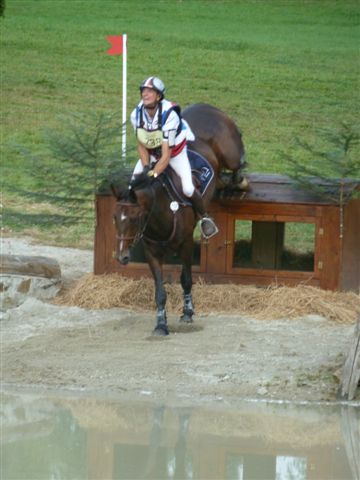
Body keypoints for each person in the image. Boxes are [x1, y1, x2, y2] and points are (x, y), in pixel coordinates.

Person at [130, 76, 218, 239]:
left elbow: (166, 155)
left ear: (159, 96)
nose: (145, 94)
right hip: (151, 152)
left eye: (150, 91)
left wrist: (153, 175)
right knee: (132, 186)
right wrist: (147, 166)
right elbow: (141, 144)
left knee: (188, 188)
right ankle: (134, 224)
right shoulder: (136, 114)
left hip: (174, 154)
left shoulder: (170, 115)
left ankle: (204, 218)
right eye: (143, 91)